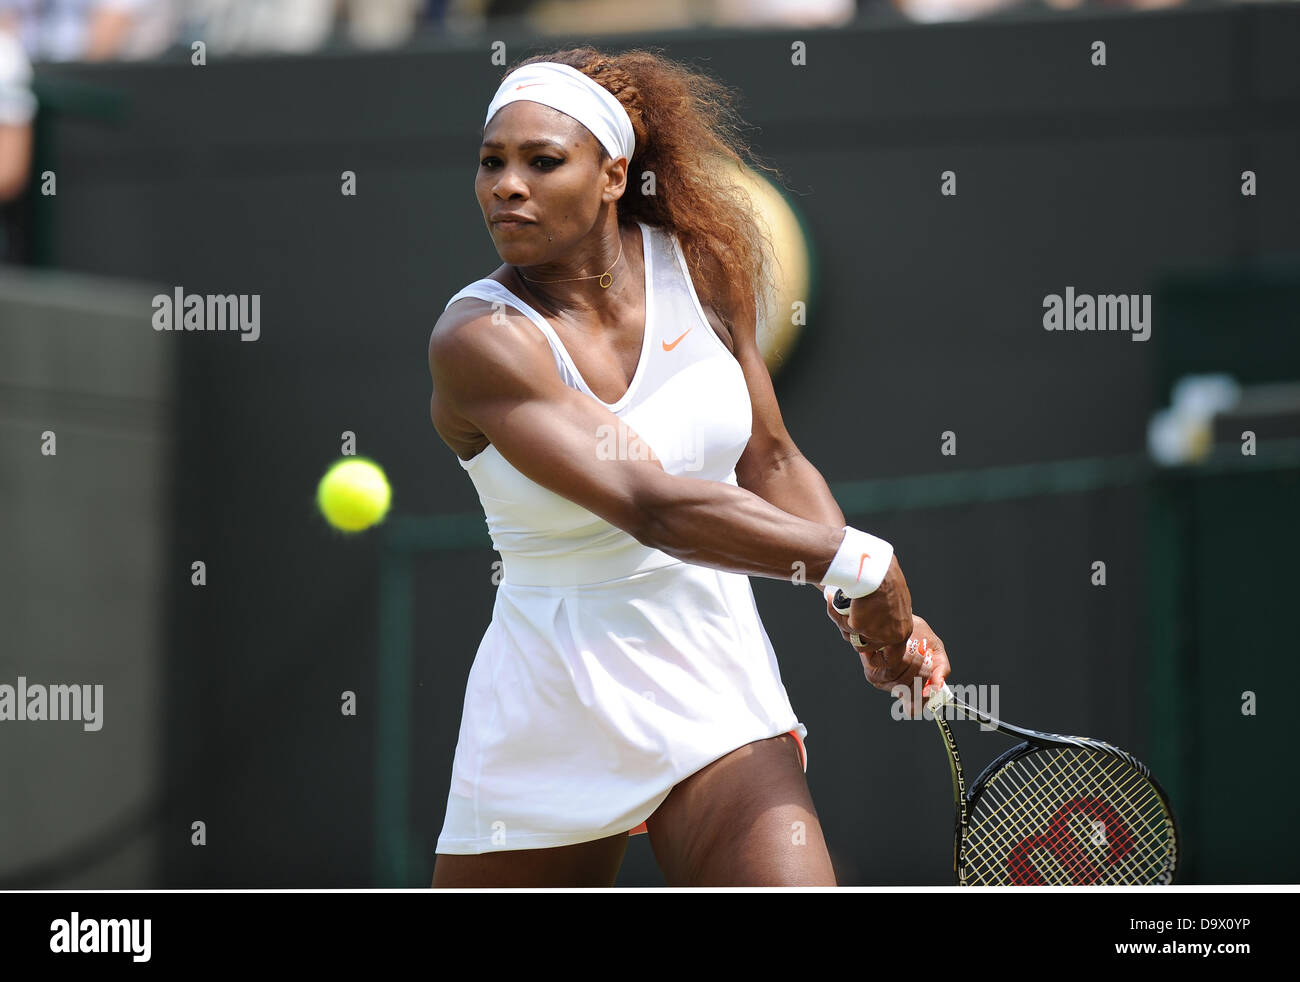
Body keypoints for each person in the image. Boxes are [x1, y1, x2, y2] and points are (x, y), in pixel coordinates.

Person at [426, 47, 952, 888]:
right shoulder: (480, 341)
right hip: (550, 690)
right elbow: (651, 505)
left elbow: (769, 458)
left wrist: (848, 598)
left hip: (709, 667)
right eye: (492, 162)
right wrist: (859, 562)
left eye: (541, 161)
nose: (505, 185)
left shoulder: (705, 267)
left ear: (611, 175)